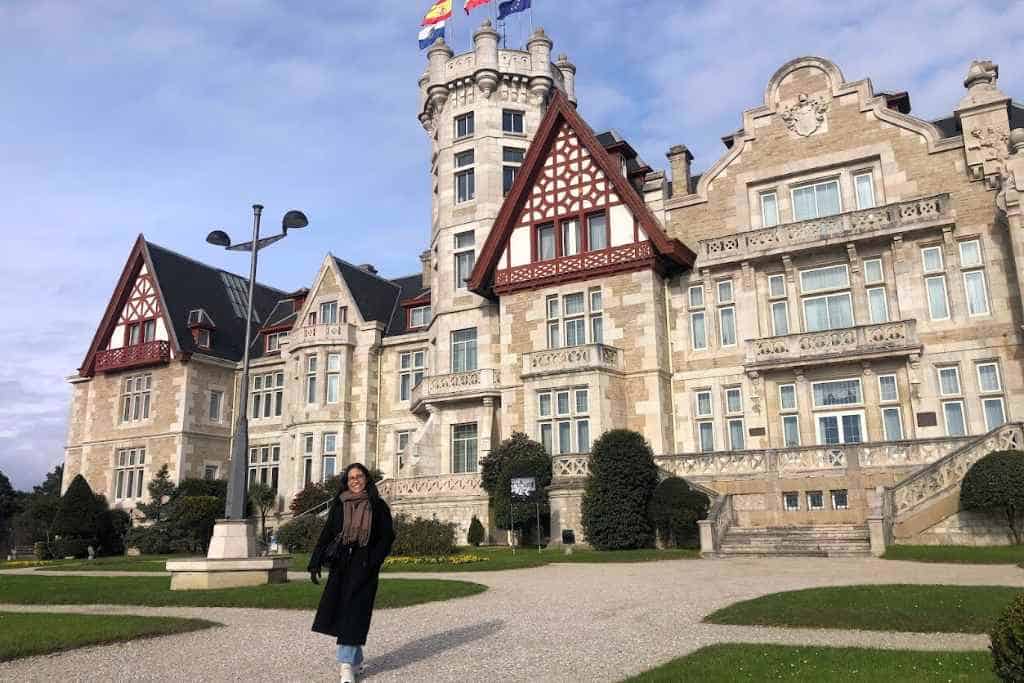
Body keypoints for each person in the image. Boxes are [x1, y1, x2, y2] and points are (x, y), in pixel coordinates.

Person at [309, 463, 395, 683]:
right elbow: (328, 533)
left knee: (354, 610)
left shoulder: (377, 506)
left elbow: (387, 538)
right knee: (344, 610)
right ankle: (355, 661)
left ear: (366, 478)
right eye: (350, 478)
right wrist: (315, 560)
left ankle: (345, 664)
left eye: (359, 476)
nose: (355, 480)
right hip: (341, 563)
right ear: (346, 482)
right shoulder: (339, 505)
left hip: (364, 565)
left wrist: (373, 561)